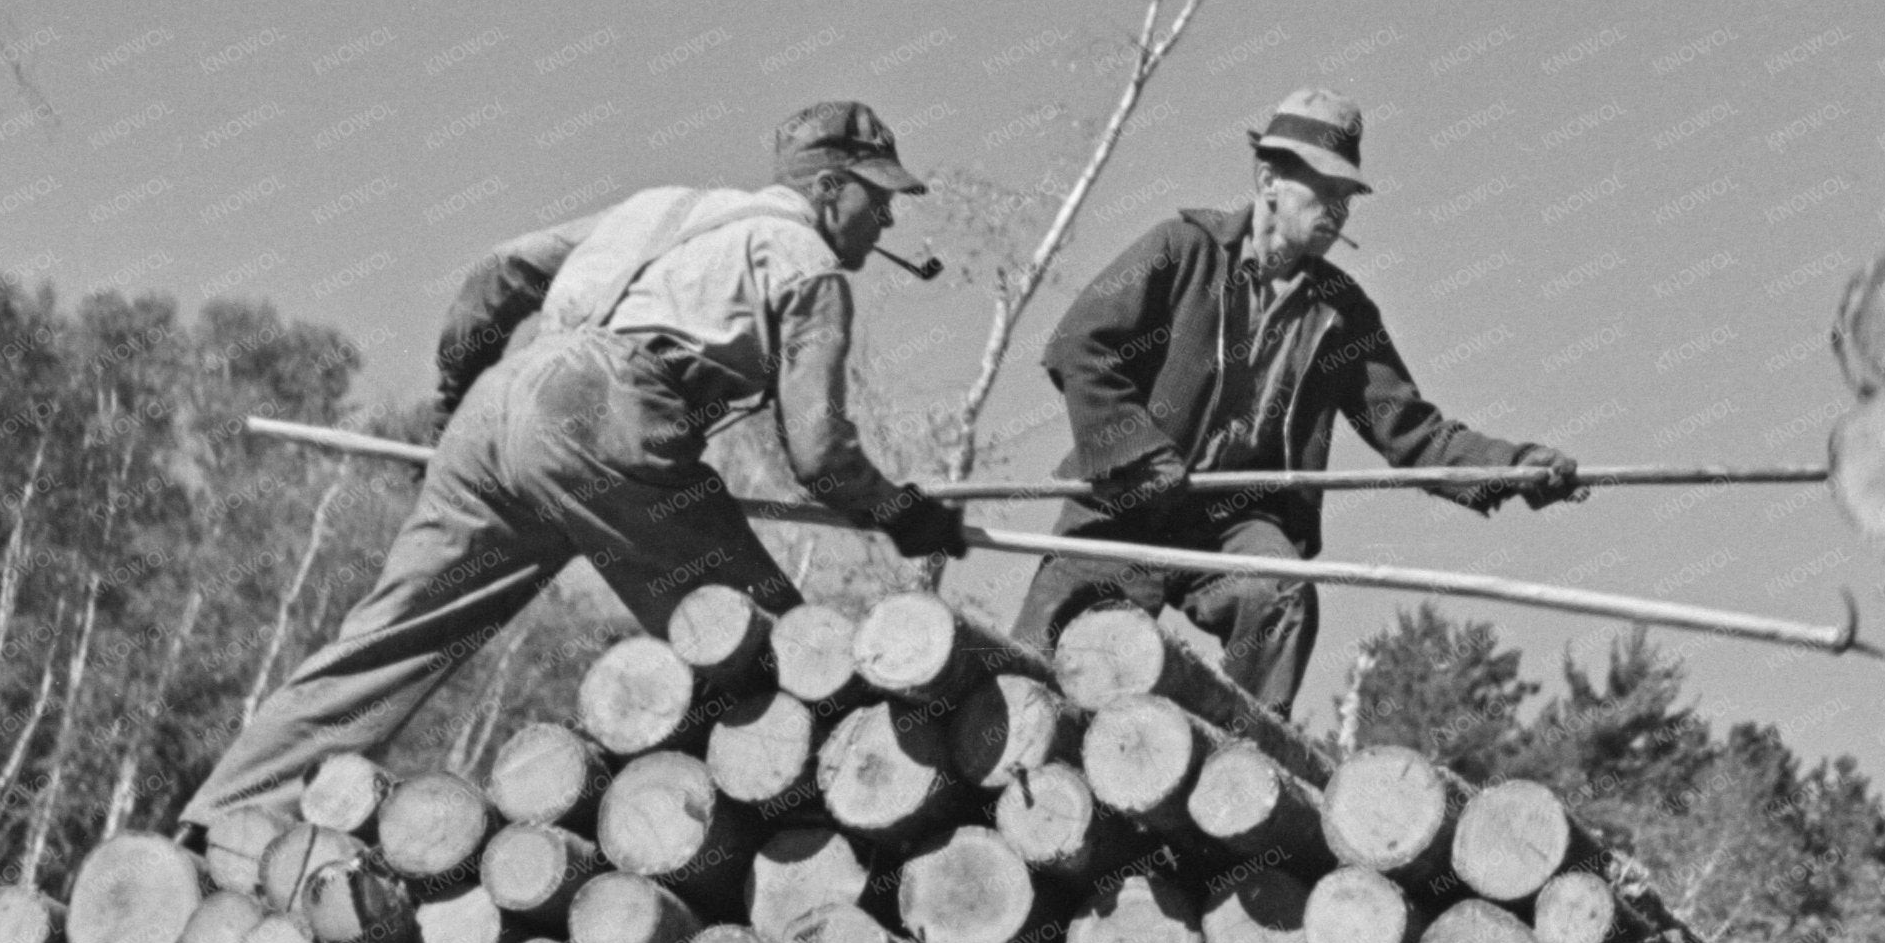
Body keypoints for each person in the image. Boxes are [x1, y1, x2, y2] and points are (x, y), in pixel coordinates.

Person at [181, 101, 968, 828]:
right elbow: (821, 455)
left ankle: (226, 819)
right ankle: (840, 824)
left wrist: (456, 407)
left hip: (499, 411)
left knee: (386, 642)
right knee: (780, 646)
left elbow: (497, 272)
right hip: (607, 414)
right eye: (880, 193)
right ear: (830, 188)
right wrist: (902, 514)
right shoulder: (805, 262)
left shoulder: (661, 208)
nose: (890, 213)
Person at [1020, 87, 1581, 714]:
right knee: (1029, 680)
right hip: (1126, 496)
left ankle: (1238, 764)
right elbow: (1078, 347)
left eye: (1348, 198)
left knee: (1280, 589)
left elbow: (1416, 434)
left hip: (1230, 523)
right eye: (1324, 191)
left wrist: (1515, 466)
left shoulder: (1343, 312)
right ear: (1268, 179)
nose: (1338, 211)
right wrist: (1136, 451)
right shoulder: (1182, 249)